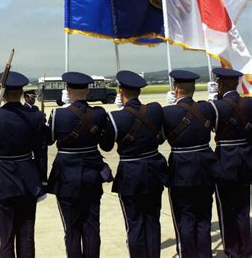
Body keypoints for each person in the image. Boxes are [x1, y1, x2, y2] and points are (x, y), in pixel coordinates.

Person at [0, 71, 46, 258]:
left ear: (4, 93)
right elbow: (41, 153)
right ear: (22, 93)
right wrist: (42, 181)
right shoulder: (35, 116)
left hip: (3, 181)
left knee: (6, 237)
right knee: (26, 236)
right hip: (28, 180)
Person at [100, 70, 168, 258]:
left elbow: (105, 147)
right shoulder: (155, 109)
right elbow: (160, 137)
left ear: (121, 92)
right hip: (154, 170)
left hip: (131, 174)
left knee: (135, 223)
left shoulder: (115, 118)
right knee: (153, 220)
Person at [46, 71, 112, 258]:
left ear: (68, 90)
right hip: (92, 174)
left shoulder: (58, 114)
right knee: (92, 228)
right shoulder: (99, 113)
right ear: (87, 91)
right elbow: (106, 145)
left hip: (66, 177)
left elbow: (49, 140)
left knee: (72, 229)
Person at [162, 70, 220, 258]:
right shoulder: (207, 108)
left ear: (175, 89)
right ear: (194, 89)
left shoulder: (168, 112)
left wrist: (170, 110)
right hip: (206, 168)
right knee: (203, 218)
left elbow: (158, 139)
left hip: (182, 171)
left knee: (185, 219)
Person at [210, 67, 251, 258]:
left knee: (227, 209)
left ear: (222, 83)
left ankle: (232, 250)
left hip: (225, 158)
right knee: (243, 208)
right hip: (245, 158)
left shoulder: (217, 106)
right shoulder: (249, 103)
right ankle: (247, 249)